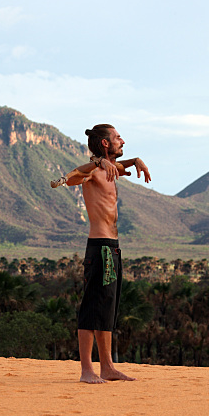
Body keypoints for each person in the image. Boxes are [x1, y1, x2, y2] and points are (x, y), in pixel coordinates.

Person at [51, 124, 151, 383]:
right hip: (100, 246)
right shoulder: (94, 171)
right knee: (91, 308)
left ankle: (107, 366)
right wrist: (96, 162)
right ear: (106, 143)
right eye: (118, 138)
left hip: (113, 246)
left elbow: (119, 166)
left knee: (107, 308)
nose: (122, 141)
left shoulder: (109, 168)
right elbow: (71, 177)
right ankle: (87, 370)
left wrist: (135, 160)